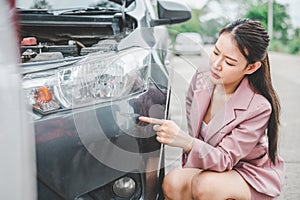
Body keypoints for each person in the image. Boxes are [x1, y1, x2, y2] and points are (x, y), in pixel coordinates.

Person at [139, 18, 285, 200]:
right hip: (211, 167)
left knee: (205, 186)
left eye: (230, 62)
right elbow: (199, 140)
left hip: (247, 174)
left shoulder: (258, 107)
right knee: (172, 182)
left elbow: (224, 158)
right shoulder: (202, 77)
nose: (216, 64)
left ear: (251, 67)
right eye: (216, 52)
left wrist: (186, 141)